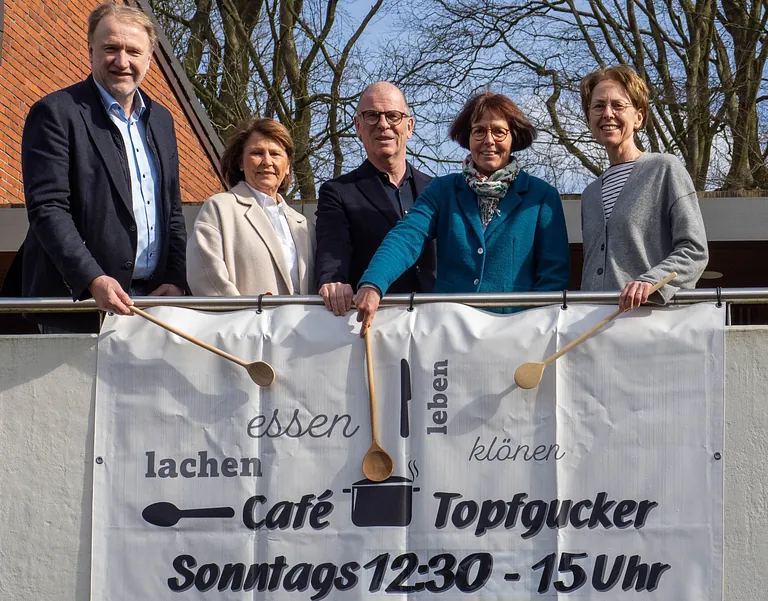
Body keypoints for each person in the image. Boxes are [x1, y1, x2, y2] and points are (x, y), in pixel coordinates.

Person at [21, 4, 187, 333]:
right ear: (91, 51)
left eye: (133, 51)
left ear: (149, 59)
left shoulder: (162, 120)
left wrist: (176, 278)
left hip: (151, 304)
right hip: (80, 304)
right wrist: (92, 278)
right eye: (111, 48)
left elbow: (173, 212)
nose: (122, 62)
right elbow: (48, 208)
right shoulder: (56, 113)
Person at [354, 90, 571, 334]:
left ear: (514, 137)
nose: (488, 140)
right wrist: (373, 283)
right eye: (479, 131)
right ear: (467, 137)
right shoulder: (442, 190)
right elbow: (406, 237)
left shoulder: (541, 197)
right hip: (450, 333)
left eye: (499, 132)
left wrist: (532, 330)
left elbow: (553, 277)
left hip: (517, 335)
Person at [578, 66, 708, 311]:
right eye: (598, 106)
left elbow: (694, 251)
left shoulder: (664, 169)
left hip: (649, 321)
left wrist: (651, 281)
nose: (607, 113)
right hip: (594, 323)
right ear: (589, 118)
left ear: (638, 117)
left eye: (618, 105)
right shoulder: (590, 195)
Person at [315, 82, 436, 316]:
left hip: (436, 320)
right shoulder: (337, 192)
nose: (383, 124)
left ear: (409, 126)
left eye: (393, 116)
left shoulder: (437, 190)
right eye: (372, 116)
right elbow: (333, 248)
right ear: (358, 126)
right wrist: (333, 282)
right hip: (375, 322)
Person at [186, 118, 314, 296]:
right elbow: (207, 278)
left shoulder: (305, 226)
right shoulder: (219, 209)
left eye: (275, 154)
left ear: (287, 166)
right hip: (243, 315)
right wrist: (245, 312)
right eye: (257, 153)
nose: (267, 161)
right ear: (240, 162)